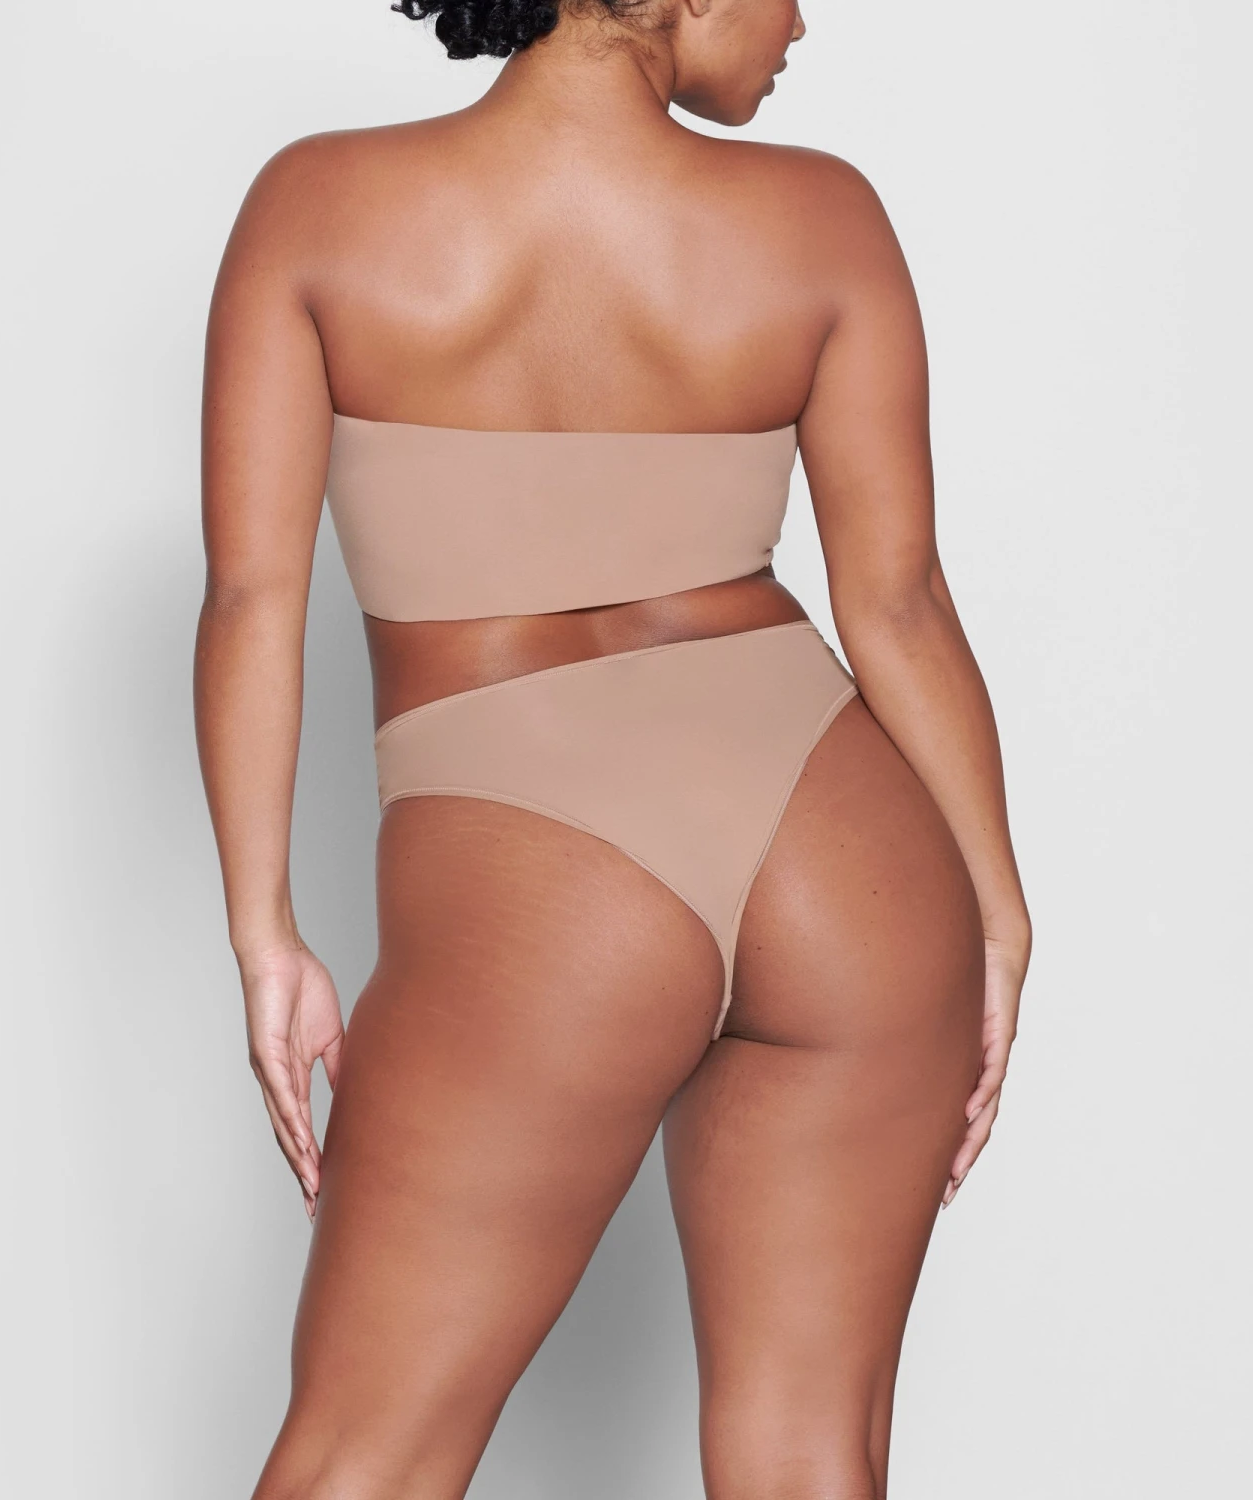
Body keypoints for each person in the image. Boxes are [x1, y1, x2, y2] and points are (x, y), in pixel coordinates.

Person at [194, 2, 1031, 1495]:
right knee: (809, 1464)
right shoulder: (823, 218)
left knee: (363, 1462)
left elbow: (255, 599)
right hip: (843, 844)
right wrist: (997, 911)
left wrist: (267, 932)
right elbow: (897, 602)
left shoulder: (319, 205)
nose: (801, 18)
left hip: (539, 853)